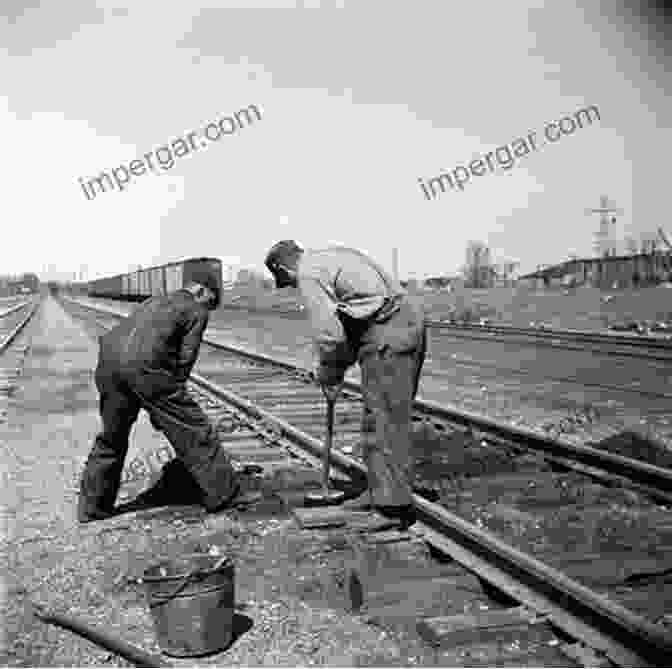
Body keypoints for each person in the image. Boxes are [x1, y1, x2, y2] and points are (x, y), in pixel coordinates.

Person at [264, 240, 426, 528]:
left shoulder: (308, 273)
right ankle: (379, 492)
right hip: (398, 321)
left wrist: (329, 373)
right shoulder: (329, 256)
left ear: (282, 267)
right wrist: (338, 367)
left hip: (389, 328)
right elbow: (350, 320)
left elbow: (330, 335)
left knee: (385, 417)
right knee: (378, 414)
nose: (291, 287)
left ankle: (391, 508)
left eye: (285, 281)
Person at [77, 270, 256, 523]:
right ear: (202, 292)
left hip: (108, 365)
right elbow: (184, 360)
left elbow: (133, 335)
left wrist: (156, 406)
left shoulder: (154, 300)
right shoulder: (196, 309)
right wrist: (170, 405)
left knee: (111, 438)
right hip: (146, 368)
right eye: (210, 303)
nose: (208, 310)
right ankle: (224, 495)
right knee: (195, 430)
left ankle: (92, 508)